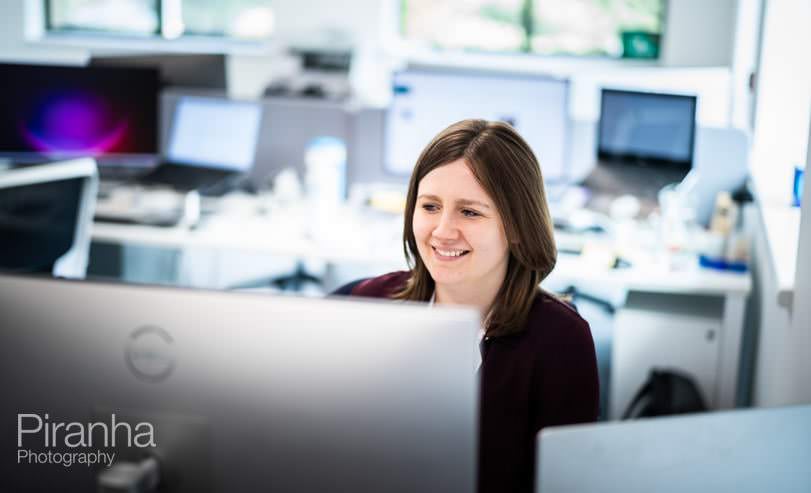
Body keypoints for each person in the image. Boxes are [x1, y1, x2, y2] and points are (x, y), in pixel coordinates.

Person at [344, 119, 599, 493]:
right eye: (430, 206)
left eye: (470, 212)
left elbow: (567, 484)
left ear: (515, 225)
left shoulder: (560, 342)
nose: (443, 231)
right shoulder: (369, 305)